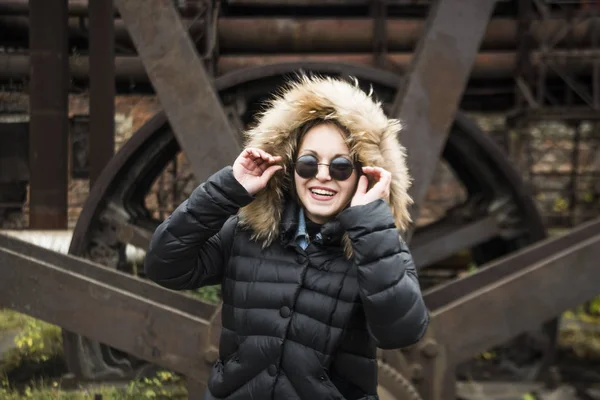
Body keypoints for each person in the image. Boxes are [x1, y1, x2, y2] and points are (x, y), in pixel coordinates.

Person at [144, 74, 430, 400]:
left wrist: (370, 224)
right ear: (290, 167)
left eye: (340, 166)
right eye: (308, 163)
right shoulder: (245, 235)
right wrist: (227, 190)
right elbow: (164, 264)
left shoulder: (375, 247)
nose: (322, 176)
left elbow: (402, 331)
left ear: (363, 173)